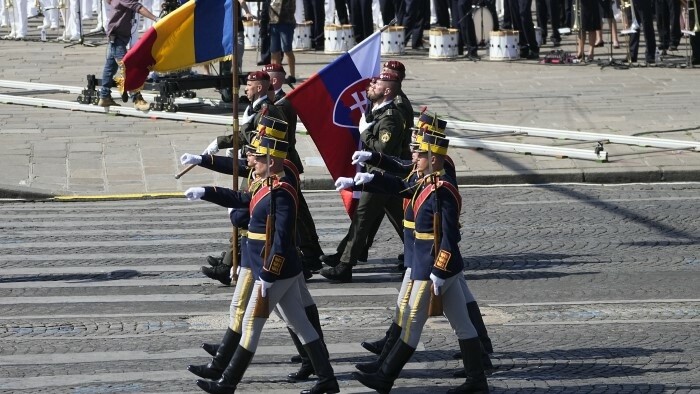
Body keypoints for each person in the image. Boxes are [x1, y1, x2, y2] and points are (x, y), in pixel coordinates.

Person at [184, 134, 339, 394]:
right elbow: (241, 200)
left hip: (274, 272)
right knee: (299, 322)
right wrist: (206, 192)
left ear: (272, 160)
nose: (251, 162)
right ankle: (327, 379)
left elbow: (282, 239)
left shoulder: (282, 193)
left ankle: (228, 382)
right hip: (272, 270)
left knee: (251, 325)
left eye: (258, 158)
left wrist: (268, 273)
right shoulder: (265, 184)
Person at [342, 132, 490, 394]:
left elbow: (450, 235)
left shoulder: (442, 190)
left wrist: (439, 270)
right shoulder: (427, 182)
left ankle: (385, 377)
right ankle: (477, 380)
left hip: (431, 266)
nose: (415, 157)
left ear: (434, 158)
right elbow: (400, 187)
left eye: (420, 154)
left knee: (411, 322)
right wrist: (364, 182)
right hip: (433, 265)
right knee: (463, 325)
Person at [321, 61, 413, 268]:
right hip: (381, 172)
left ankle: (344, 264)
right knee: (387, 219)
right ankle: (417, 252)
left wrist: (365, 132)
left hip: (386, 172)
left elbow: (385, 148)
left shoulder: (397, 107)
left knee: (363, 218)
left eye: (385, 76)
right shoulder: (381, 103)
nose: (375, 80)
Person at [264, 63, 325, 271]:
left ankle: (307, 253)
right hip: (280, 163)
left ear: (273, 81)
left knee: (295, 213)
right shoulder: (275, 102)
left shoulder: (281, 104)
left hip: (283, 163)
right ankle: (311, 252)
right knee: (298, 212)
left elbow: (277, 137)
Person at [97, 0, 157, 109]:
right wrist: (156, 19)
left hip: (117, 37)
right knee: (128, 67)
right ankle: (136, 98)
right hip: (117, 38)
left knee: (110, 67)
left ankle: (104, 97)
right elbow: (138, 7)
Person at [269, 0, 297, 83]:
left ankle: (292, 75)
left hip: (286, 20)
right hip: (273, 20)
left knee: (287, 49)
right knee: (274, 51)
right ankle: (275, 75)